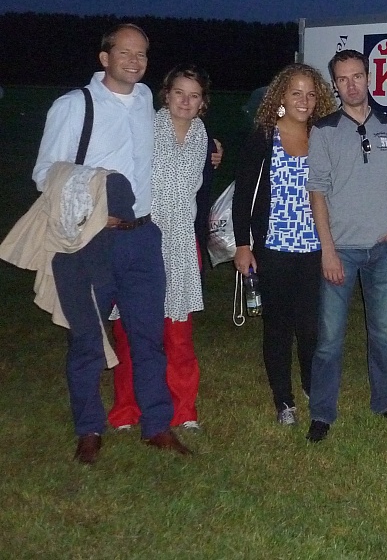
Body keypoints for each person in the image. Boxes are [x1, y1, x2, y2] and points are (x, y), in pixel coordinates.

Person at [31, 23, 190, 462]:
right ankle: (89, 430)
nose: (135, 61)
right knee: (87, 340)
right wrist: (94, 197)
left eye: (142, 54)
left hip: (143, 238)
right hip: (91, 240)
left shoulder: (144, 100)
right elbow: (44, 174)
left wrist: (210, 146)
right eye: (125, 53)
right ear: (104, 58)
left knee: (148, 338)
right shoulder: (73, 106)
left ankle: (157, 426)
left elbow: (175, 131)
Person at [305, 49, 387, 442]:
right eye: (343, 79)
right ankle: (322, 413)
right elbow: (317, 191)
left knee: (383, 335)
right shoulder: (324, 130)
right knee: (329, 339)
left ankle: (385, 402)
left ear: (369, 78)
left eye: (357, 76)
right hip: (340, 251)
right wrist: (328, 251)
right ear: (335, 85)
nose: (351, 85)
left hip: (382, 250)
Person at [108, 66, 211, 432]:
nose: (185, 101)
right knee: (132, 333)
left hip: (181, 243)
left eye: (194, 95)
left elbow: (202, 189)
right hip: (143, 239)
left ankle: (184, 409)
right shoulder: (146, 127)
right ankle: (126, 409)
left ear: (202, 103)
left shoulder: (202, 137)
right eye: (179, 93)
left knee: (178, 335)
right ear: (166, 94)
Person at [233, 64, 336, 426]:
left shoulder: (322, 136)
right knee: (277, 326)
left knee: (310, 326)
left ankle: (309, 383)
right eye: (296, 93)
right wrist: (243, 245)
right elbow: (243, 194)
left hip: (313, 248)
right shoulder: (264, 136)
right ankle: (284, 400)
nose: (304, 101)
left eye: (311, 94)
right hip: (273, 247)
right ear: (281, 96)